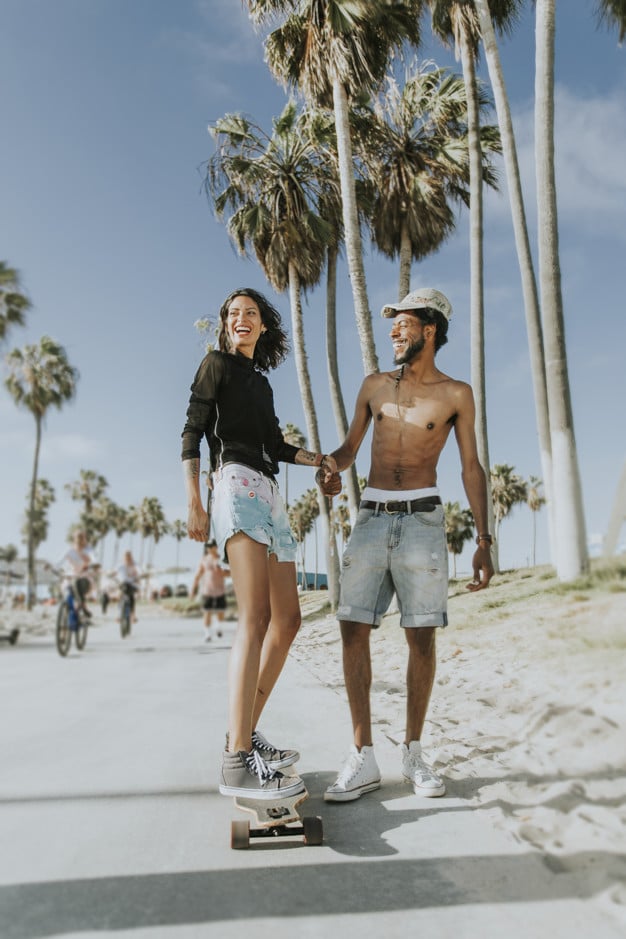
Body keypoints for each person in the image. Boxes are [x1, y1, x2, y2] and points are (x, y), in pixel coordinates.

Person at [317, 287, 494, 803]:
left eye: (403, 323)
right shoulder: (373, 385)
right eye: (392, 324)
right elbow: (350, 448)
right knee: (353, 628)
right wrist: (332, 468)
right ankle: (363, 755)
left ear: (430, 329)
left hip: (422, 520)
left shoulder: (456, 394)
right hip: (371, 516)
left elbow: (470, 467)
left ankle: (414, 752)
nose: (394, 331)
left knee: (421, 637)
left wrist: (483, 540)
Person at [181, 287, 337, 800]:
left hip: (269, 490)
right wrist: (194, 501)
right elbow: (192, 431)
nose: (241, 319)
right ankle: (235, 759)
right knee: (254, 618)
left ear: (262, 325)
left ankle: (244, 736)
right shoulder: (216, 366)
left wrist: (319, 460)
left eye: (250, 313)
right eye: (233, 313)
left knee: (287, 620)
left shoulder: (262, 384)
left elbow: (274, 443)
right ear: (226, 325)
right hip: (235, 484)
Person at [191, 540, 227, 642]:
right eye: (208, 547)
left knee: (221, 611)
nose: (210, 548)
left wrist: (222, 571)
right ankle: (207, 634)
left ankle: (218, 627)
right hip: (207, 591)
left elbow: (227, 574)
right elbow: (198, 575)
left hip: (220, 590)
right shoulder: (204, 560)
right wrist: (193, 590)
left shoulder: (221, 559)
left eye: (212, 546)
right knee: (207, 612)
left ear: (216, 547)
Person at [58, 529, 98, 619]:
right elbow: (60, 561)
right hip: (71, 576)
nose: (80, 540)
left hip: (84, 578)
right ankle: (68, 614)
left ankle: (82, 606)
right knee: (67, 589)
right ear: (74, 539)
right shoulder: (70, 550)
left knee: (77, 583)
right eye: (77, 537)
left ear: (84, 538)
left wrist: (94, 564)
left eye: (81, 537)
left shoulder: (88, 549)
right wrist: (51, 566)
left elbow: (93, 557)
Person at [117, 550, 140, 624]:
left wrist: (138, 576)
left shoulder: (135, 564)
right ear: (124, 558)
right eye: (126, 557)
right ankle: (119, 615)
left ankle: (133, 616)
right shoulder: (121, 565)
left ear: (131, 557)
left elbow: (140, 571)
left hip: (132, 585)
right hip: (123, 584)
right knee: (120, 596)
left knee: (132, 598)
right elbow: (115, 572)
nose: (128, 558)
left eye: (129, 557)